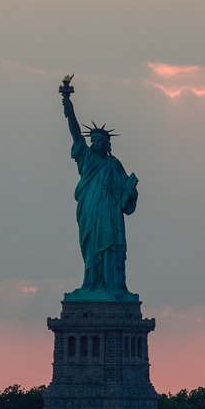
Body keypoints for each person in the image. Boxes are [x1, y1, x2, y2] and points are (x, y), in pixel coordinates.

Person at [60, 79, 138, 294]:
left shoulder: (114, 165)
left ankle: (113, 286)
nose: (96, 143)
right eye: (93, 140)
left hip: (110, 214)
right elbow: (75, 132)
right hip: (90, 209)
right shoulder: (85, 158)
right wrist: (67, 101)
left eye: (100, 140)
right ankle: (91, 284)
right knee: (92, 246)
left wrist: (131, 189)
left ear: (107, 144)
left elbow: (126, 198)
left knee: (110, 246)